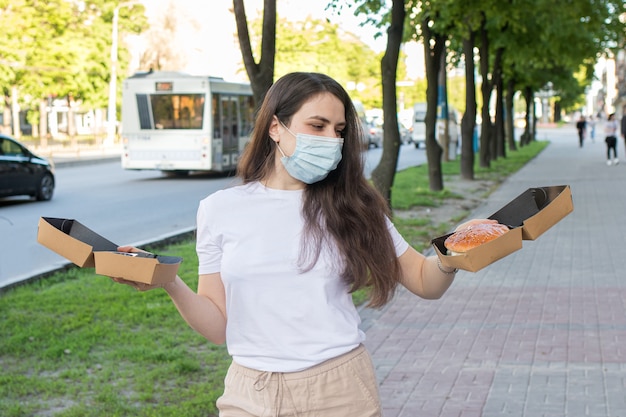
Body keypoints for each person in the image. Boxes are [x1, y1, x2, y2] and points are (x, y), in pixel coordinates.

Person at [109, 72, 492, 417]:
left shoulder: (355, 205)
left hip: (340, 390)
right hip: (249, 392)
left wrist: (454, 251)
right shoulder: (219, 210)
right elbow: (217, 328)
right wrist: (169, 282)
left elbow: (425, 281)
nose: (332, 140)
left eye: (339, 130)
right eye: (317, 125)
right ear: (276, 127)